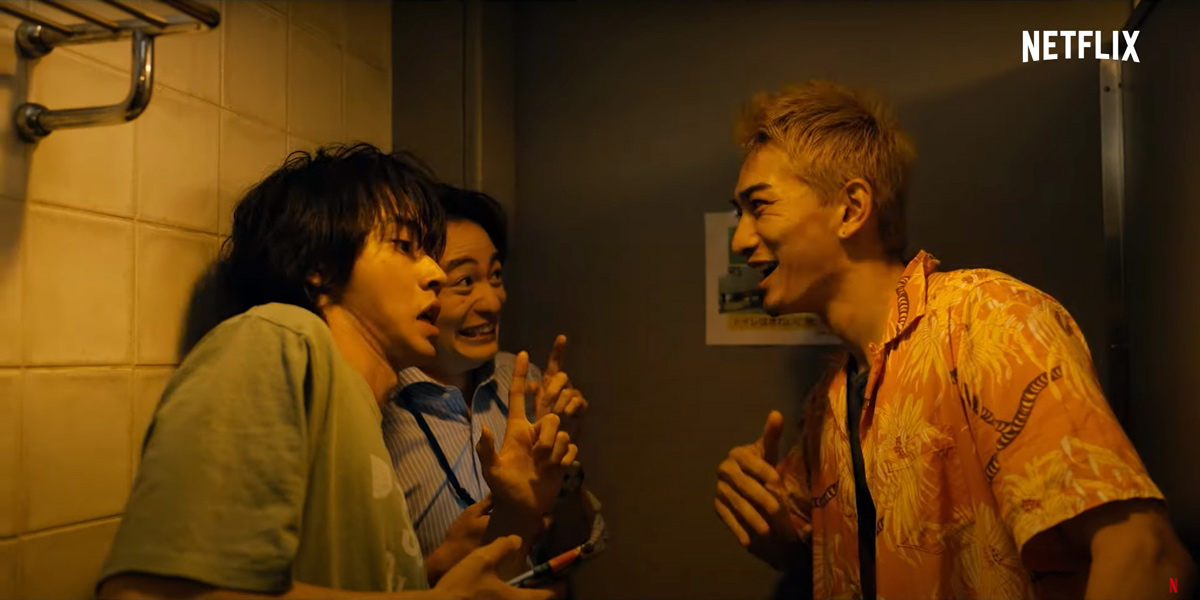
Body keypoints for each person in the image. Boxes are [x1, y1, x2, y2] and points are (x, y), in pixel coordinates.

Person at [713, 81, 1197, 599]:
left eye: (759, 206)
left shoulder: (987, 320)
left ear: (851, 208)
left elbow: (1154, 562)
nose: (739, 240)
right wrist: (776, 530)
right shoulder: (825, 404)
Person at [97, 143, 571, 600]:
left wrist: (512, 514)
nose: (435, 273)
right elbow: (149, 594)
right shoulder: (279, 339)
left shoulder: (362, 413)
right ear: (320, 267)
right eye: (405, 245)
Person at [382, 185, 596, 588]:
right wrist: (437, 569)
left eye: (495, 276)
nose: (493, 302)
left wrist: (562, 467)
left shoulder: (525, 383)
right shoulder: (380, 406)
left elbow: (571, 551)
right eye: (465, 281)